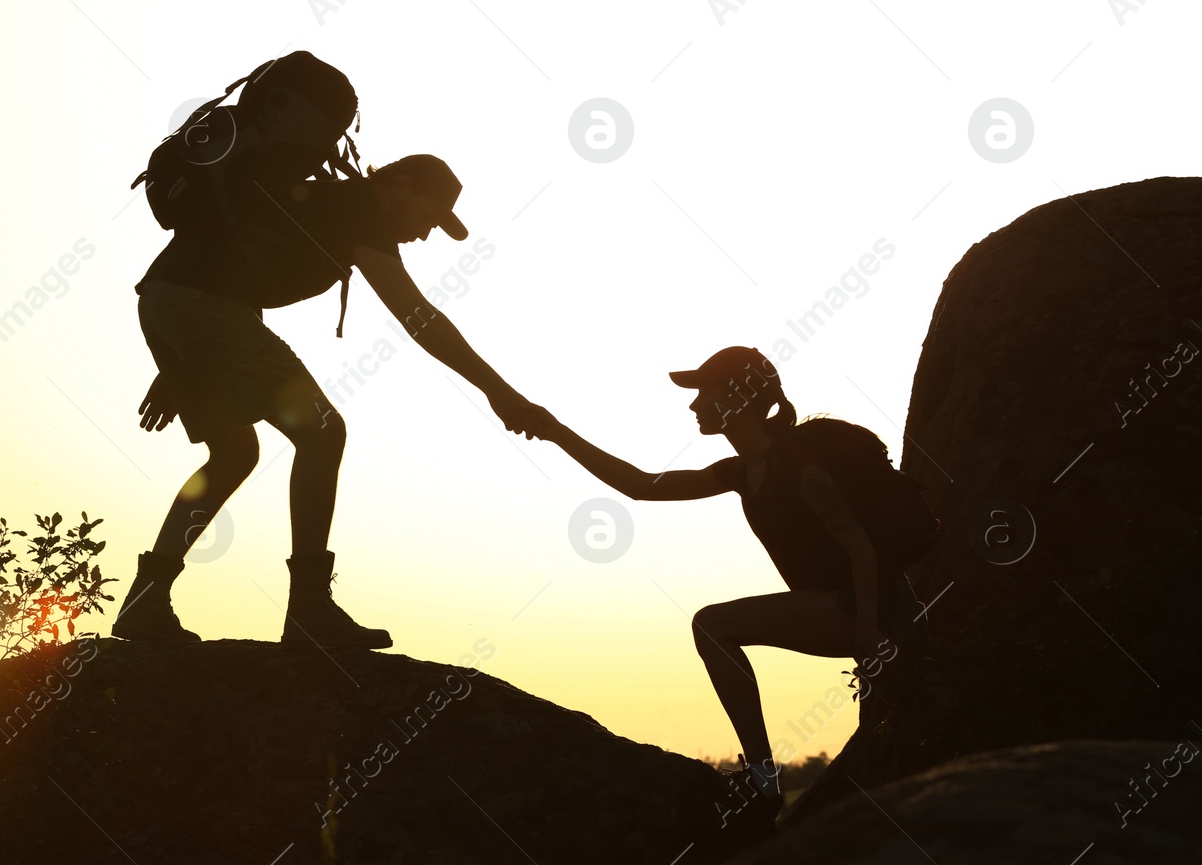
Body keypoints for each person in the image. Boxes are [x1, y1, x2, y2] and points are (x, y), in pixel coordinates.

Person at [116, 58, 544, 650]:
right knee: (322, 432)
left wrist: (179, 356)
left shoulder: (318, 200)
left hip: (171, 302)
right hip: (197, 308)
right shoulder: (358, 208)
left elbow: (237, 258)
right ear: (396, 185)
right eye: (427, 216)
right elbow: (419, 318)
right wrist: (500, 391)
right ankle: (309, 610)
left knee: (236, 450)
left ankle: (145, 603)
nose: (424, 234)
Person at [527, 345, 925, 824]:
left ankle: (761, 783)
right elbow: (641, 485)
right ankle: (761, 780)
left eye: (703, 393)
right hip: (843, 611)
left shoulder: (797, 461)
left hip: (876, 612)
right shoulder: (742, 471)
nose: (693, 405)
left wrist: (867, 634)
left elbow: (859, 546)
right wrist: (555, 432)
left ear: (737, 395)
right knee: (714, 628)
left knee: (713, 625)